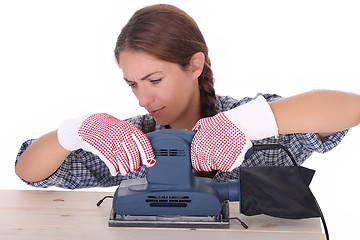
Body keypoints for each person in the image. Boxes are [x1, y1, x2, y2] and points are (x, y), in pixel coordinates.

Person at [15, 4, 360, 189]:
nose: (142, 99)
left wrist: (245, 125)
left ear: (194, 65)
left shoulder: (252, 118)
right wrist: (74, 131)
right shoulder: (133, 143)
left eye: (154, 79)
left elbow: (351, 107)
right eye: (133, 84)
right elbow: (29, 171)